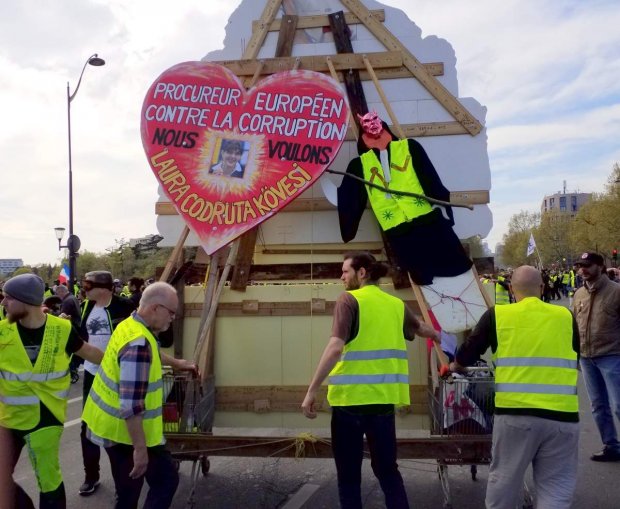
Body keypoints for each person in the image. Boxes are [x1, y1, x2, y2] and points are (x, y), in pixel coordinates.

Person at [301, 251, 440, 509]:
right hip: (382, 404)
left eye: (345, 271)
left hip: (349, 404)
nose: (341, 277)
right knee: (388, 471)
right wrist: (442, 338)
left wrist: (311, 391)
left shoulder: (349, 300)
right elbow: (420, 328)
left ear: (362, 272)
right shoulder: (395, 305)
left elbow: (334, 348)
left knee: (349, 477)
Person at [452, 265, 579, 508]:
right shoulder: (565, 316)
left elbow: (467, 353)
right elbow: (576, 358)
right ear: (542, 288)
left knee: (505, 482)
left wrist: (456, 365)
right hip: (563, 417)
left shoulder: (497, 316)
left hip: (515, 415)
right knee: (556, 486)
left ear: (511, 289)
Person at [82, 282, 196, 509]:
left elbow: (152, 351)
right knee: (162, 481)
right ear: (155, 308)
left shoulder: (130, 325)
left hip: (110, 427)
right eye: (171, 312)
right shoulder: (138, 343)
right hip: (126, 434)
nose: (172, 318)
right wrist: (140, 450)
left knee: (130, 492)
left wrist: (177, 363)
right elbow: (131, 405)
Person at [0, 273, 104, 509]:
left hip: (45, 417)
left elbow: (90, 353)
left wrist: (121, 364)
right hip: (8, 418)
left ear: (25, 301)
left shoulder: (61, 329)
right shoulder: (2, 331)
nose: (3, 303)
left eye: (8, 298)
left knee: (48, 480)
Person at [77, 271, 134, 496]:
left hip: (119, 374)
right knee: (87, 426)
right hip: (91, 373)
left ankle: (126, 480)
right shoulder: (86, 307)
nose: (84, 290)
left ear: (102, 287)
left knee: (118, 427)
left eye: (87, 286)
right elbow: (81, 337)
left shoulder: (124, 306)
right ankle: (91, 476)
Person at [573, 252, 620, 462]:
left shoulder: (616, 292)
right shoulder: (578, 294)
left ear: (600, 267)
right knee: (598, 406)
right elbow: (574, 326)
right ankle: (611, 446)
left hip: (612, 355)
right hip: (586, 357)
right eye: (580, 265)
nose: (582, 269)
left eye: (588, 265)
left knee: (619, 405)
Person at [56, 284, 83, 384]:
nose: (57, 296)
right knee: (70, 352)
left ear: (61, 292)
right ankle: (72, 371)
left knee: (67, 353)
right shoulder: (73, 298)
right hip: (75, 328)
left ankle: (72, 373)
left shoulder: (67, 301)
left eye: (57, 293)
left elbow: (62, 317)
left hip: (70, 329)